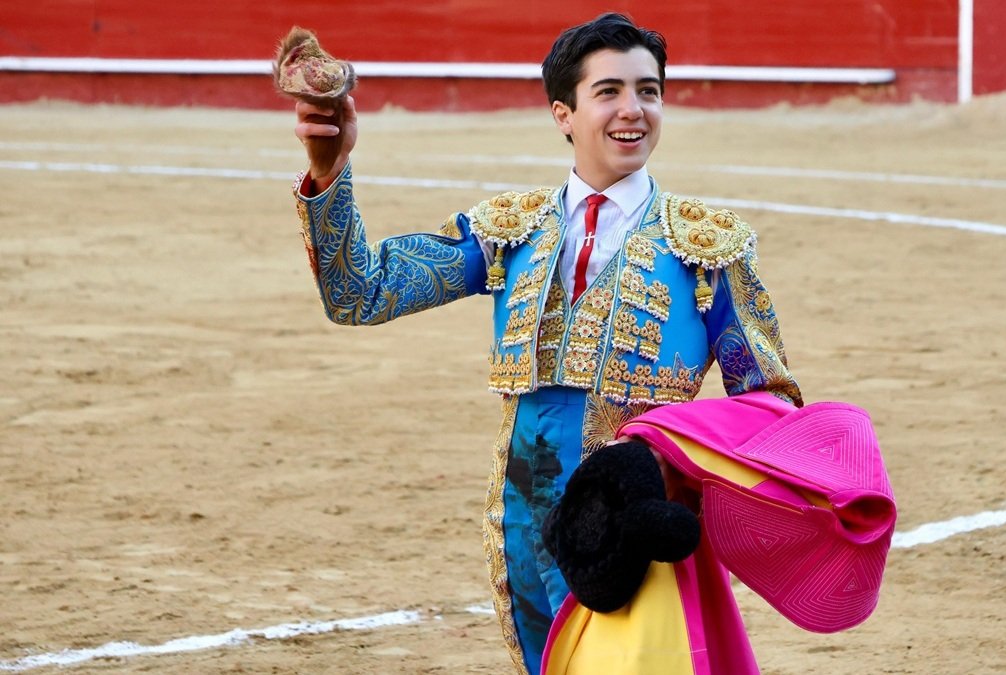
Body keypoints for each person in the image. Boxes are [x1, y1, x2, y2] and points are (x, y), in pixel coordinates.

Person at [291, 13, 803, 674]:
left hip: (637, 530)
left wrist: (669, 461)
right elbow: (362, 292)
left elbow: (771, 405)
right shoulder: (509, 230)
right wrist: (329, 173)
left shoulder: (707, 247)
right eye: (610, 91)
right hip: (521, 532)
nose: (634, 110)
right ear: (564, 113)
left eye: (649, 91)